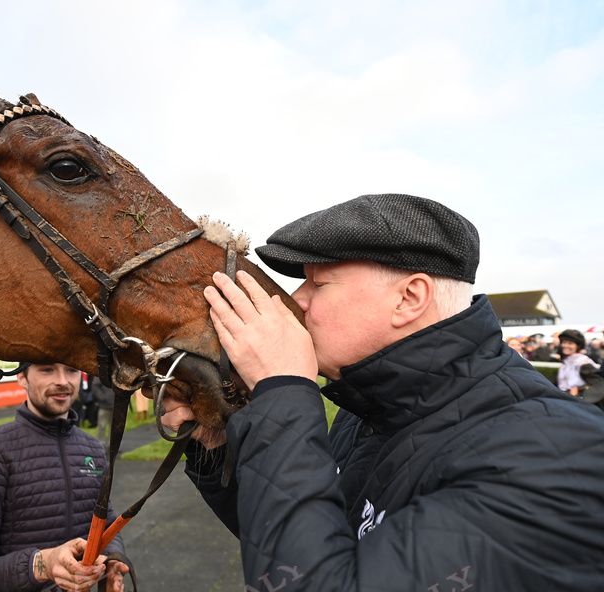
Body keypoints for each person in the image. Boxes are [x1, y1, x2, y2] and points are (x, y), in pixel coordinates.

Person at [162, 194, 604, 590]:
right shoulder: (366, 412)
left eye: (319, 282)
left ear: (410, 297)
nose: (297, 299)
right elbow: (302, 544)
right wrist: (216, 446)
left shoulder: (555, 454)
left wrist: (283, 389)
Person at [0, 363, 129, 592]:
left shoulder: (93, 449)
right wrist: (42, 565)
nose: (62, 380)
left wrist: (113, 558)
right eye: (47, 369)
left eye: (71, 370)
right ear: (22, 377)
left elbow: (106, 521)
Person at [557, 328, 599, 396]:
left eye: (570, 343)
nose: (565, 345)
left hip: (578, 400)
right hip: (564, 396)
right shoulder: (566, 360)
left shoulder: (583, 361)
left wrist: (579, 391)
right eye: (564, 342)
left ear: (578, 346)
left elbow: (597, 384)